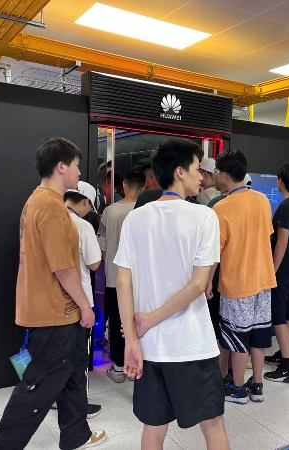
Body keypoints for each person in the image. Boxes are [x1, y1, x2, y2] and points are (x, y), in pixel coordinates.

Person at [0, 138, 106, 450]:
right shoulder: (51, 207)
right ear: (61, 166)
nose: (79, 172)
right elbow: (63, 268)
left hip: (57, 311)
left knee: (72, 373)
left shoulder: (39, 201)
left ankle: (76, 434)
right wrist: (86, 307)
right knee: (37, 388)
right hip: (56, 313)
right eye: (76, 165)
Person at [114, 138, 230, 450]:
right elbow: (198, 285)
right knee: (213, 426)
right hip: (192, 344)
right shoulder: (204, 216)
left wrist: (132, 340)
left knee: (154, 428)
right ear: (179, 171)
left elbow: (123, 283)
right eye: (197, 169)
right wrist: (149, 319)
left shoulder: (136, 218)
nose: (201, 176)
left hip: (151, 346)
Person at [207, 150, 276, 404]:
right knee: (258, 334)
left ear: (224, 175)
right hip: (263, 279)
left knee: (236, 336)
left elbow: (215, 252)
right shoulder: (262, 200)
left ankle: (237, 389)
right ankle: (256, 385)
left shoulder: (221, 207)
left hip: (237, 282)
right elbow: (266, 234)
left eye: (216, 171)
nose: (215, 175)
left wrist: (208, 281)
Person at [262, 162, 289, 384]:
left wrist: (272, 270)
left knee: (279, 317)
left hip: (284, 271)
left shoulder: (285, 207)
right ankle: (284, 353)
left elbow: (281, 242)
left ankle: (288, 366)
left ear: (280, 181)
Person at [100, 168, 146, 383]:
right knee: (139, 322)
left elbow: (103, 244)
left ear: (124, 185)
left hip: (114, 276)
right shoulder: (146, 211)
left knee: (117, 321)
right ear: (143, 187)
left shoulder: (110, 212)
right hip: (141, 279)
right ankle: (138, 366)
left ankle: (119, 367)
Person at [62, 181, 103, 416]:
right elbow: (94, 263)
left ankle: (57, 398)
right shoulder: (83, 226)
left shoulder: (50, 219)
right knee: (79, 357)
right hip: (80, 302)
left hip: (54, 301)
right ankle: (79, 405)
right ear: (86, 201)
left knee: (59, 355)